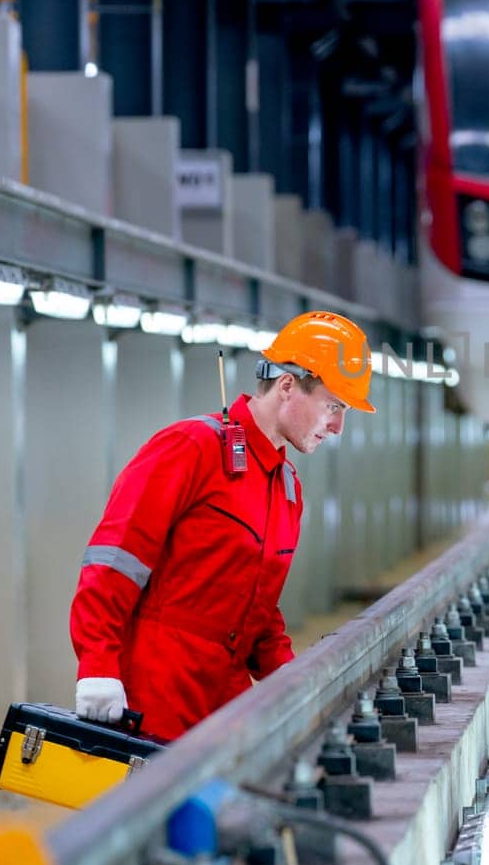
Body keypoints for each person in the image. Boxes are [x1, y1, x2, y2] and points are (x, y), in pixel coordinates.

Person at [69, 310, 377, 740]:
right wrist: (98, 665)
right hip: (154, 701)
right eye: (333, 406)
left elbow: (259, 611)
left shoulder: (287, 486)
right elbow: (115, 561)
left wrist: (295, 682)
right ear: (288, 385)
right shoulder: (191, 448)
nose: (338, 427)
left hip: (223, 708)